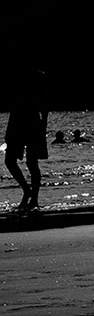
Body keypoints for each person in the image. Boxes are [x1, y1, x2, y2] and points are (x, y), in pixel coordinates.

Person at [4, 68, 49, 213]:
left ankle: (33, 198)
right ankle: (27, 191)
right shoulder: (17, 77)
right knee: (10, 161)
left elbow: (44, 102)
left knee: (31, 162)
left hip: (31, 122)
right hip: (17, 121)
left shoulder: (36, 77)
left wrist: (44, 123)